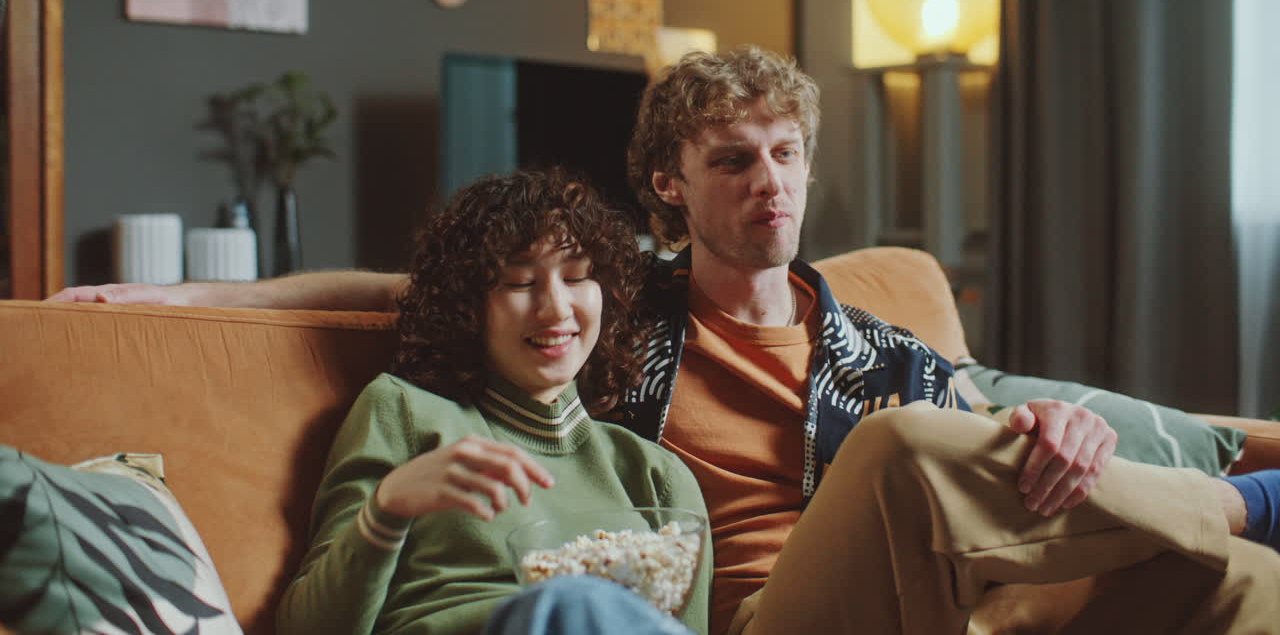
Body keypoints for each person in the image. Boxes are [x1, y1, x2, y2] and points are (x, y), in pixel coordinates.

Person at [54, 47, 1280, 634]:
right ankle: (1240, 501)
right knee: (907, 451)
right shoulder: (615, 307)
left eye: (786, 154)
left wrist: (1064, 425)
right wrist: (199, 299)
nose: (769, 184)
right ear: (667, 187)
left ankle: (1237, 522)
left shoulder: (881, 347)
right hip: (768, 617)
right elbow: (395, 290)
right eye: (732, 161)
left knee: (1232, 585)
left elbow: (1003, 421)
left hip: (931, 604)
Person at [275, 169, 711, 635]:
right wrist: (388, 509)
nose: (556, 308)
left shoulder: (657, 479)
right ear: (469, 306)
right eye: (521, 283)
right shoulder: (406, 412)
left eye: (577, 277)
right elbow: (306, 628)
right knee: (575, 600)